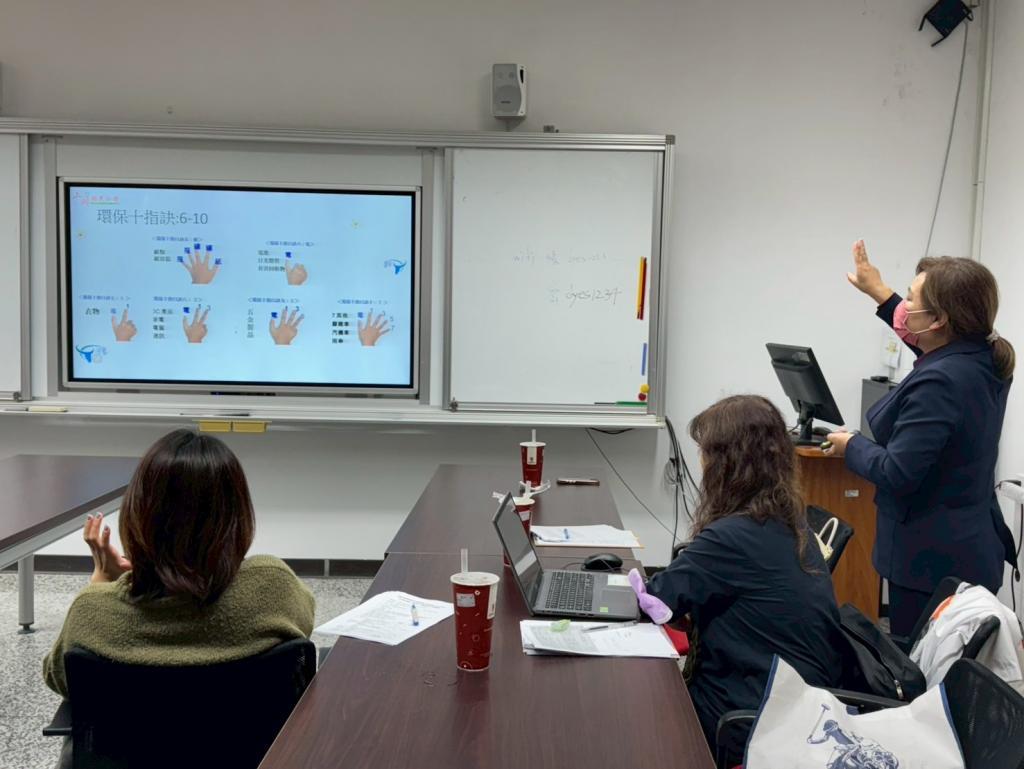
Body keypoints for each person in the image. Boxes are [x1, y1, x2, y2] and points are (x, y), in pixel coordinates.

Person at [825, 241, 1016, 637]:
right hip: (969, 549)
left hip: (931, 564)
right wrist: (878, 290)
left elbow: (897, 471)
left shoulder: (940, 382)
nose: (905, 307)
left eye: (911, 299)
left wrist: (851, 445)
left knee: (919, 665)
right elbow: (924, 338)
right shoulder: (982, 357)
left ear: (939, 320)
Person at [43, 429, 315, 697]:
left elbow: (59, 677)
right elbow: (303, 623)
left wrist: (102, 582)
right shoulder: (274, 587)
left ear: (137, 515)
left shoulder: (92, 611)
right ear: (236, 516)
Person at [641, 395, 845, 748]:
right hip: (795, 702)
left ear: (726, 463)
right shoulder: (787, 521)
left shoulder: (733, 537)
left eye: (705, 452)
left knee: (635, 712)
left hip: (750, 717)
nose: (701, 462)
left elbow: (657, 598)